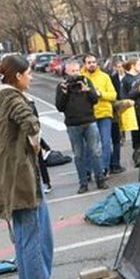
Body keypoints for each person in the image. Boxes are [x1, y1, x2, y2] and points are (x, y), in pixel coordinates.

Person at [0, 54, 66, 279]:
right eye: (28, 73)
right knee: (36, 235)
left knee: (24, 236)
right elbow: (31, 125)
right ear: (17, 76)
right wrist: (35, 145)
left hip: (4, 175)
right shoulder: (13, 98)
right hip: (21, 175)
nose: (31, 77)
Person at [56, 59, 105, 193]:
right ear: (66, 72)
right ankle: (83, 183)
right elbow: (59, 107)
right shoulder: (62, 86)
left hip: (89, 121)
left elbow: (95, 100)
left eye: (77, 70)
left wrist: (88, 90)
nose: (76, 74)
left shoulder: (86, 81)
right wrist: (65, 93)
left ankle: (100, 179)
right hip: (73, 124)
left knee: (95, 152)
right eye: (73, 71)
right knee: (78, 155)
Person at [81, 53, 117, 178]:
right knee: (89, 145)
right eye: (89, 62)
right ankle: (87, 170)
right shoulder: (81, 78)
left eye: (93, 62)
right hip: (88, 115)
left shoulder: (104, 77)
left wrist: (100, 94)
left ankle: (104, 169)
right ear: (85, 64)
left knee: (106, 142)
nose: (92, 64)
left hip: (104, 114)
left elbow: (113, 95)